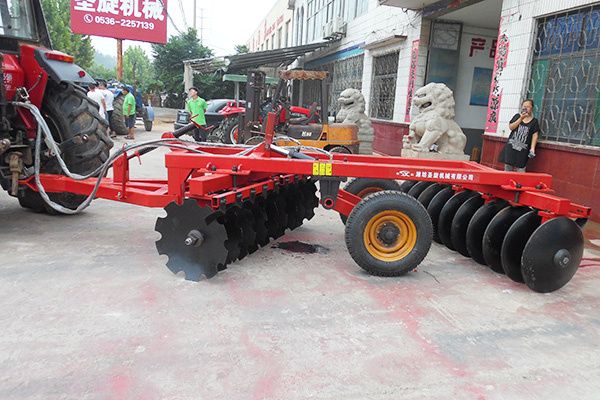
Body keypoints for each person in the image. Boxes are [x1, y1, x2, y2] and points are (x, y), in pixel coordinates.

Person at [499, 99, 539, 172]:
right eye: (524, 106)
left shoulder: (534, 121)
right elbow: (511, 127)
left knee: (521, 171)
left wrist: (532, 149)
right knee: (508, 169)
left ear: (532, 108)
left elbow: (535, 135)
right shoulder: (517, 116)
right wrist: (521, 118)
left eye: (528, 106)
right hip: (511, 148)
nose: (526, 108)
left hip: (523, 150)